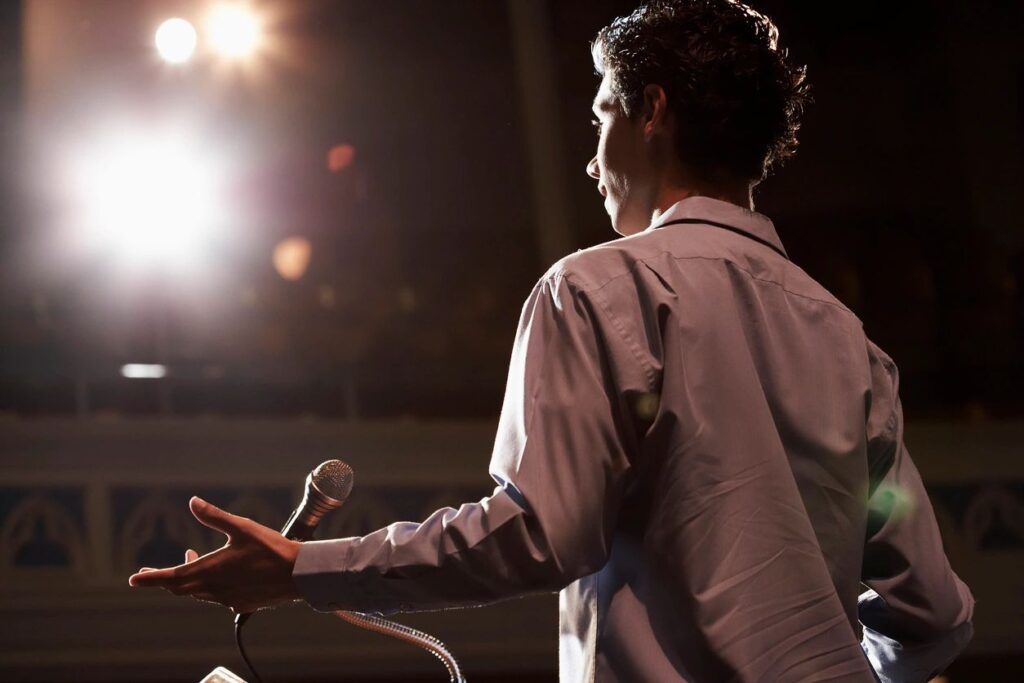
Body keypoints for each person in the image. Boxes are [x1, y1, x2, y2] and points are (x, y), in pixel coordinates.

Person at [129, 1, 975, 681]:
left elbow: (542, 534)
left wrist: (303, 568)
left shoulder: (598, 288)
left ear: (652, 111)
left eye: (601, 112)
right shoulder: (850, 341)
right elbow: (931, 614)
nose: (589, 159)